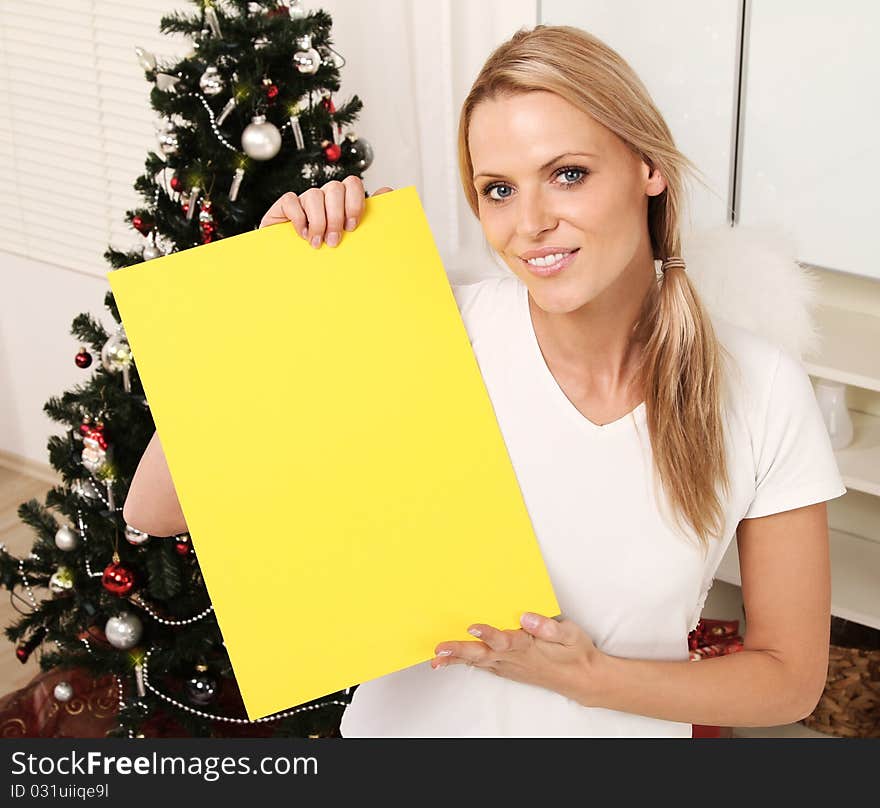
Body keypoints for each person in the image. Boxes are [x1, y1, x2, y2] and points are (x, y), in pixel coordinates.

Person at [125, 25, 846, 737]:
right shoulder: (432, 330)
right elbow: (156, 508)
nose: (530, 223)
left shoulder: (760, 386)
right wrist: (269, 294)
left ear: (648, 168)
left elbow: (787, 680)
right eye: (498, 189)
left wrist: (592, 679)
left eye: (568, 174)